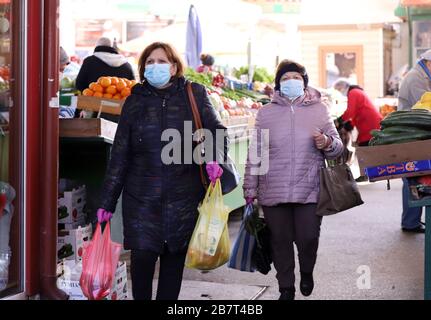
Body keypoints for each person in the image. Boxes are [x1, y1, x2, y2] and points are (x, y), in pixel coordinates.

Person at [96, 42, 228, 300]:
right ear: (143, 68)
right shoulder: (134, 101)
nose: (155, 66)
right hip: (141, 199)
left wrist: (213, 157)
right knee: (142, 261)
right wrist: (107, 201)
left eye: (161, 61)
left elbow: (217, 131)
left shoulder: (195, 94)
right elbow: (120, 155)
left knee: (172, 264)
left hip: (183, 198)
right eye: (150, 62)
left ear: (175, 66)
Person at [243, 60, 344, 300]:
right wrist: (250, 188)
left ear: (304, 82)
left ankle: (306, 272)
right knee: (280, 242)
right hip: (273, 190)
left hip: (310, 189)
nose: (291, 82)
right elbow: (256, 153)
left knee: (308, 238)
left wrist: (327, 143)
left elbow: (338, 147)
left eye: (296, 77)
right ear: (278, 83)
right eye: (286, 78)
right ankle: (286, 288)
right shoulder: (266, 113)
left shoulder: (319, 110)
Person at [395, 50, 431, 234]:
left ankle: (412, 221)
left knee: (415, 178)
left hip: (415, 132)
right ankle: (410, 223)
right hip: (410, 134)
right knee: (412, 178)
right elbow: (425, 106)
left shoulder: (422, 75)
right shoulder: (417, 78)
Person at [75, 37, 136, 122]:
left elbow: (79, 84)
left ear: (97, 46)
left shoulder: (89, 61)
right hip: (121, 116)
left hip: (93, 114)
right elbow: (134, 89)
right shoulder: (126, 65)